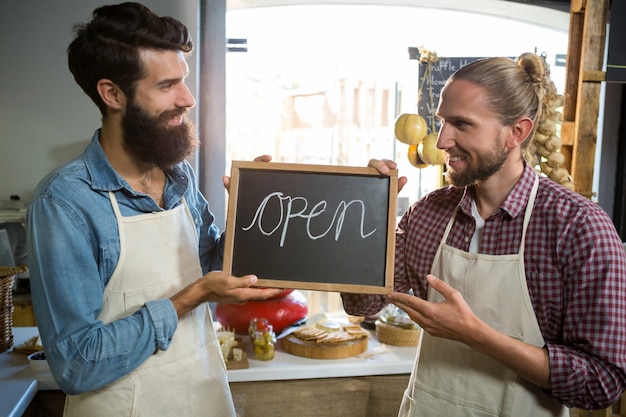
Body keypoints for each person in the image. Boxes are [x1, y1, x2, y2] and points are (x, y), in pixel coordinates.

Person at [26, 3, 282, 416]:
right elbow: (76, 363)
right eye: (167, 86)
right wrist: (190, 298)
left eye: (183, 80)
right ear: (112, 94)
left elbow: (212, 268)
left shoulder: (179, 177)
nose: (188, 99)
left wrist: (252, 217)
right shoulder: (64, 203)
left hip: (203, 398)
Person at [343, 53, 626, 416]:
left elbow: (601, 383)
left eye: (462, 124)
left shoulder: (579, 228)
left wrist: (476, 336)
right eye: (443, 121)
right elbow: (362, 304)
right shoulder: (428, 213)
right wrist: (364, 218)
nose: (443, 140)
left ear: (516, 133)